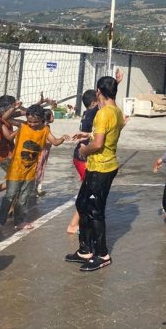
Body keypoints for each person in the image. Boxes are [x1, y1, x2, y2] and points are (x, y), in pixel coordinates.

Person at [65, 75, 124, 272]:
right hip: (99, 167)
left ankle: (102, 254)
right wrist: (88, 134)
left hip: (102, 168)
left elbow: (98, 144)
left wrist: (84, 150)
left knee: (94, 210)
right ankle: (85, 249)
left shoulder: (104, 112)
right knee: (82, 203)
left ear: (99, 91)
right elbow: (104, 134)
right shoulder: (116, 110)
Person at [0, 103, 69, 234]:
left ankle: (19, 221)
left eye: (35, 122)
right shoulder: (22, 125)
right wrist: (14, 107)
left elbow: (54, 142)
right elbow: (5, 118)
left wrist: (62, 138)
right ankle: (0, 222)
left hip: (30, 170)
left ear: (42, 120)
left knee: (24, 197)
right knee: (10, 196)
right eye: (30, 121)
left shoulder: (45, 130)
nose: (32, 124)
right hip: (16, 168)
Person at [66, 89, 99, 234]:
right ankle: (73, 225)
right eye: (98, 100)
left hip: (81, 156)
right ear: (93, 103)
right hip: (82, 157)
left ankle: (79, 222)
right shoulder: (92, 113)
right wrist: (114, 84)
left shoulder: (87, 113)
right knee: (89, 191)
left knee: (90, 190)